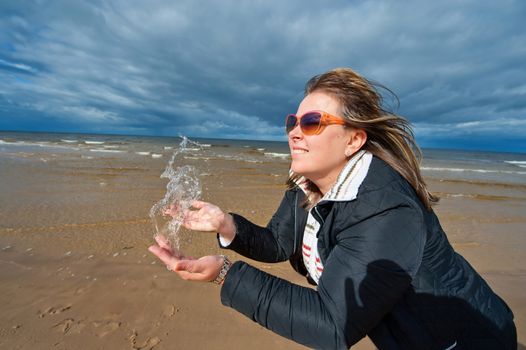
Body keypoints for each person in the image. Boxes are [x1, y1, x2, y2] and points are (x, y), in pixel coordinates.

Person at [148, 68, 517, 349]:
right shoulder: (307, 183)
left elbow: (333, 324)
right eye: (293, 121)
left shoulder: (386, 209)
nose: (294, 131)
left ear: (354, 140)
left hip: (468, 338)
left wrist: (225, 274)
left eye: (312, 123)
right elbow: (279, 241)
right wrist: (226, 224)